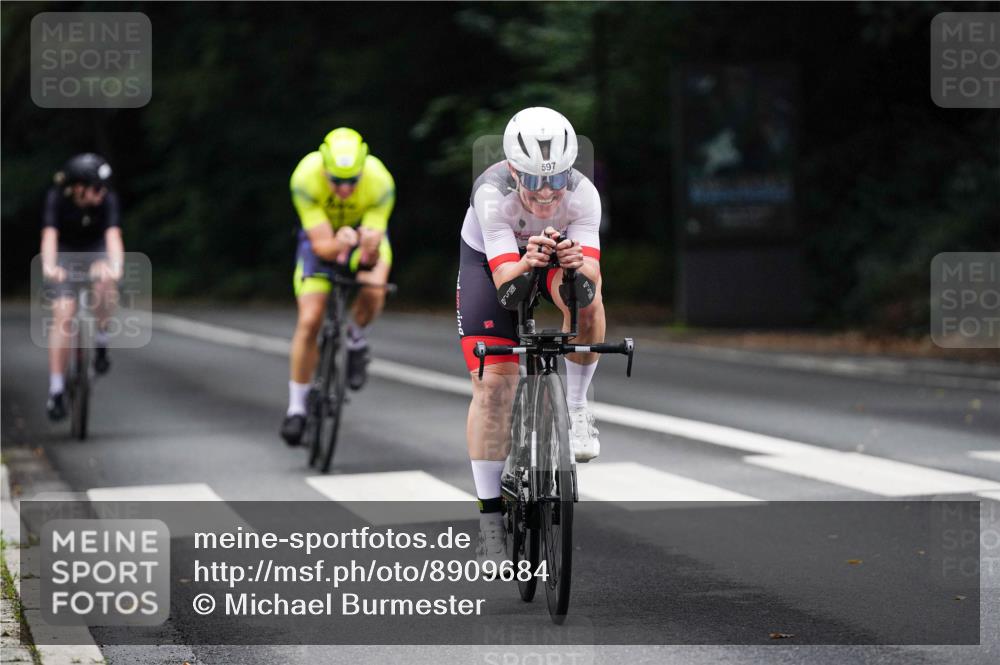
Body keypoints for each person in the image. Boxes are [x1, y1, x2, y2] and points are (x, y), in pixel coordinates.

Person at [455, 107, 605, 561]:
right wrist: (528, 258)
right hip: (495, 269)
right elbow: (507, 287)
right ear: (513, 170)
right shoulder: (491, 195)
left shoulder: (584, 196)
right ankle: (490, 520)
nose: (544, 191)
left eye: (556, 179)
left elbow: (591, 278)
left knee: (590, 302)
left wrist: (576, 266)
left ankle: (577, 410)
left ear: (569, 173)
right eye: (534, 180)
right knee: (495, 386)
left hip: (553, 260)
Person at [280, 128, 395, 446]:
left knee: (375, 288)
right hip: (322, 239)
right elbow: (322, 247)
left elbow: (369, 261)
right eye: (336, 181)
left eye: (352, 182)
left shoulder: (380, 181)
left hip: (365, 237)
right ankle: (297, 408)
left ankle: (356, 339)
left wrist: (366, 249)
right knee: (310, 320)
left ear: (362, 171)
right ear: (323, 169)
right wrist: (338, 244)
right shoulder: (305, 177)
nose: (345, 189)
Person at [41, 153, 124, 421]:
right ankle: (56, 390)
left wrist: (115, 266)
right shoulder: (57, 198)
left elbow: (112, 236)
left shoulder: (107, 199)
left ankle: (101, 340)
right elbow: (50, 236)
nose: (102, 193)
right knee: (63, 315)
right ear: (78, 187)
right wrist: (50, 266)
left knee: (104, 283)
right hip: (65, 253)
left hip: (95, 250)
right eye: (96, 188)